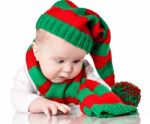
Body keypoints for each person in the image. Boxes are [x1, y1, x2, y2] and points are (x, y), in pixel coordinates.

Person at [11, 0, 139, 118]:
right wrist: (37, 102)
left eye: (77, 61)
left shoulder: (85, 71)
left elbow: (98, 86)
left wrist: (112, 97)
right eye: (60, 60)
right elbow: (18, 96)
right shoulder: (28, 72)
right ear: (37, 51)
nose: (68, 69)